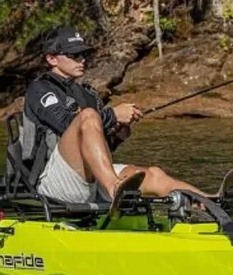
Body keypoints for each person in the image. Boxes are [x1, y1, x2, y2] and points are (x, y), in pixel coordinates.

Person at [22, 26, 209, 204]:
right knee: (88, 116)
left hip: (92, 178)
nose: (82, 60)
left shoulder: (88, 94)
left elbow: (98, 148)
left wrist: (117, 135)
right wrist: (112, 114)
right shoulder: (40, 89)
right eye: (74, 55)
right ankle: (114, 189)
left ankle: (211, 202)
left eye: (83, 54)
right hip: (52, 182)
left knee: (155, 174)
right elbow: (65, 123)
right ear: (52, 59)